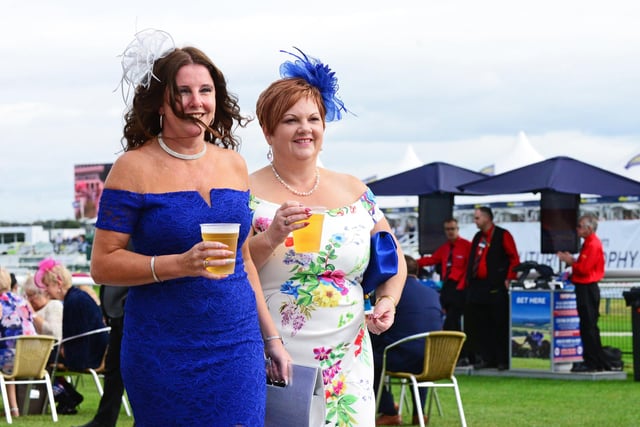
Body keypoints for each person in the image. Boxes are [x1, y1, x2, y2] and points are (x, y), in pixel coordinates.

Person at [89, 30, 289, 426]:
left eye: (206, 90)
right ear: (161, 101)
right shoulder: (132, 168)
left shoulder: (234, 165)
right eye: (183, 91)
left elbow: (243, 259)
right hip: (163, 351)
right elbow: (102, 264)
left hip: (237, 344)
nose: (196, 102)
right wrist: (177, 265)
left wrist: (272, 340)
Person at [248, 48, 406, 426]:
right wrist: (272, 236)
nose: (305, 128)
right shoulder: (244, 191)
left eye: (313, 118)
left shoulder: (353, 190)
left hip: (348, 356)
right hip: (275, 351)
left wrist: (388, 301)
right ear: (268, 131)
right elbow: (233, 265)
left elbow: (393, 260)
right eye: (290, 120)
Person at [372, 255, 443, 426]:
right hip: (434, 360)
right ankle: (420, 413)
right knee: (419, 352)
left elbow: (377, 330)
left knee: (367, 359)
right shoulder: (432, 293)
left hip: (402, 357)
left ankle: (389, 410)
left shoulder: (390, 297)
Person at [35, 258, 109, 415]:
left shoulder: (74, 301)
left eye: (48, 286)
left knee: (38, 357)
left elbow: (74, 337)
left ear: (58, 283)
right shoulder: (78, 297)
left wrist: (61, 349)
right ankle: (68, 395)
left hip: (87, 356)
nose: (46, 290)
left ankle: (65, 395)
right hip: (95, 350)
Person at [557, 214, 615, 372]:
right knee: (588, 326)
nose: (578, 229)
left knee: (588, 326)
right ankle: (595, 360)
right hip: (586, 287)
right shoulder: (589, 243)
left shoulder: (592, 244)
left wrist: (570, 262)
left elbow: (584, 269)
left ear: (589, 228)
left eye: (580, 226)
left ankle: (592, 361)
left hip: (587, 288)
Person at [465, 206, 520, 370]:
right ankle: (486, 358)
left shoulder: (502, 235)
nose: (475, 221)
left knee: (499, 324)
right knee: (481, 324)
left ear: (487, 218)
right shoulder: (477, 237)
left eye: (477, 218)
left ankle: (502, 359)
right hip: (478, 286)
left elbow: (514, 258)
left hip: (495, 286)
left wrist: (510, 277)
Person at [73, 286, 129, 427]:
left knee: (139, 372)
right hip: (118, 317)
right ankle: (104, 421)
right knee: (113, 370)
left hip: (132, 313)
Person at [417, 218, 471, 333]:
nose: (450, 232)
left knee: (452, 321)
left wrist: (462, 286)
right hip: (447, 287)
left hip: (460, 288)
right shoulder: (444, 248)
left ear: (457, 229)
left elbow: (469, 269)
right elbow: (431, 260)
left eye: (452, 229)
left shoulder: (467, 246)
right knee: (448, 318)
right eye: (447, 229)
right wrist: (410, 262)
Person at [0, 266, 37, 419]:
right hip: (32, 359)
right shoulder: (22, 302)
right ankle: (13, 409)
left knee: (7, 353)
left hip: (8, 361)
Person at [23, 274, 63, 340]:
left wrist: (32, 313)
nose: (29, 300)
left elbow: (53, 333)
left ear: (42, 293)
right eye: (27, 296)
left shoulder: (54, 305)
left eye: (31, 295)